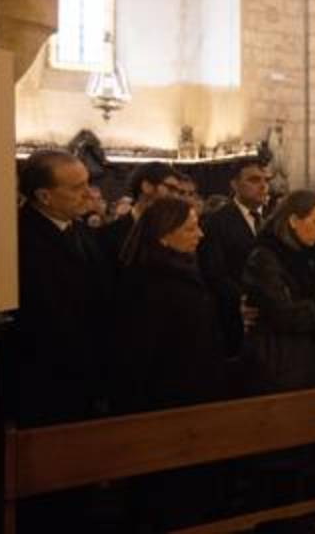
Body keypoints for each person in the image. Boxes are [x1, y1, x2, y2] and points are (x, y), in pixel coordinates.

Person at [13, 150, 111, 425]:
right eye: (77, 188)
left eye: (88, 184)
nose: (90, 194)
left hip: (88, 371)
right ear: (44, 196)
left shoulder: (81, 231)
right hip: (46, 376)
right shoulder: (19, 239)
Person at [115, 197, 226, 412]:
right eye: (190, 229)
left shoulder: (182, 270)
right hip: (170, 398)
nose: (201, 234)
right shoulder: (150, 284)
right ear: (163, 237)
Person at [241, 191, 315, 393]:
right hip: (278, 359)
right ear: (293, 220)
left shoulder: (310, 254)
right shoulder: (265, 256)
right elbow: (283, 313)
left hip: (305, 354)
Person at [199, 158, 270, 358]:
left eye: (266, 180)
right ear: (234, 184)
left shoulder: (272, 218)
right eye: (254, 180)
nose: (263, 185)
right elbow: (214, 271)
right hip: (235, 312)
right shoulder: (217, 222)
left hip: (271, 313)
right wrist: (243, 298)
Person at [97, 161, 182, 266]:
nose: (176, 197)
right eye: (171, 189)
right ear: (146, 186)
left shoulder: (176, 231)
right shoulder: (109, 234)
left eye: (178, 192)